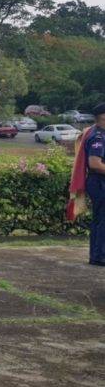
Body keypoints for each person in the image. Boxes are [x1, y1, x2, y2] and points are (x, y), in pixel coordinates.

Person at [83, 103, 105, 267]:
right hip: (99, 182)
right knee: (102, 220)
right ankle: (99, 256)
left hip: (98, 182)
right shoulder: (98, 136)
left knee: (100, 220)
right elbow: (95, 163)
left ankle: (97, 256)